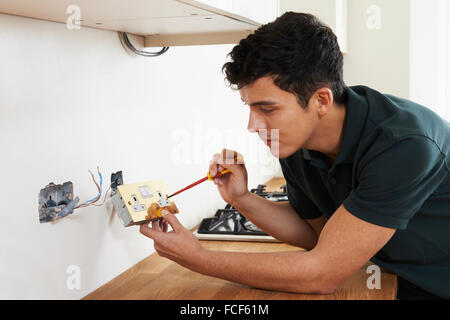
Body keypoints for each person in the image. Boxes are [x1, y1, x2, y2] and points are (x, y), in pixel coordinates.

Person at [140, 12, 450, 299]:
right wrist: (241, 198)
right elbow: (316, 233)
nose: (253, 126)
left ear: (321, 100)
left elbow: (322, 273)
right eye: (249, 107)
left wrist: (198, 257)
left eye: (267, 109)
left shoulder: (403, 144)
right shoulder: (297, 142)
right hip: (392, 275)